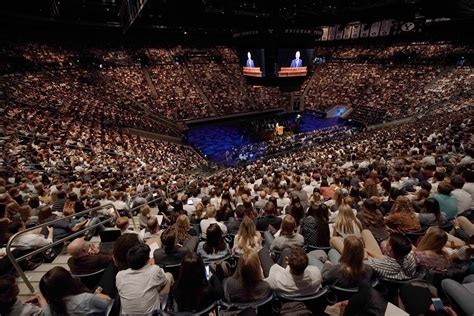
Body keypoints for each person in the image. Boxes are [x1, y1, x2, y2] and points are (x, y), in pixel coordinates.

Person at [116, 243, 170, 314]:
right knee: (168, 276)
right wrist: (152, 266)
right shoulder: (154, 270)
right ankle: (169, 307)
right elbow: (163, 281)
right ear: (147, 261)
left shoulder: (120, 275)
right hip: (152, 314)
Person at [40, 266, 110, 316]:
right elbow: (111, 306)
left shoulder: (47, 310)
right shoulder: (86, 299)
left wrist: (40, 298)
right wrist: (101, 297)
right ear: (68, 282)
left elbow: (46, 307)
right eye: (69, 274)